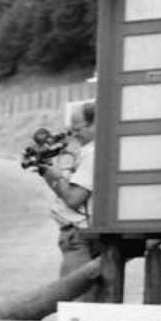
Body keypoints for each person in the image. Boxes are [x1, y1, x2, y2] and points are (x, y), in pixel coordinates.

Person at [40, 100, 96, 279]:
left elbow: (73, 199)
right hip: (75, 236)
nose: (74, 134)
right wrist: (48, 174)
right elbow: (64, 194)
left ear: (95, 124)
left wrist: (57, 176)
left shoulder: (92, 155)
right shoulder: (87, 152)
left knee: (73, 301)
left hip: (79, 236)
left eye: (78, 128)